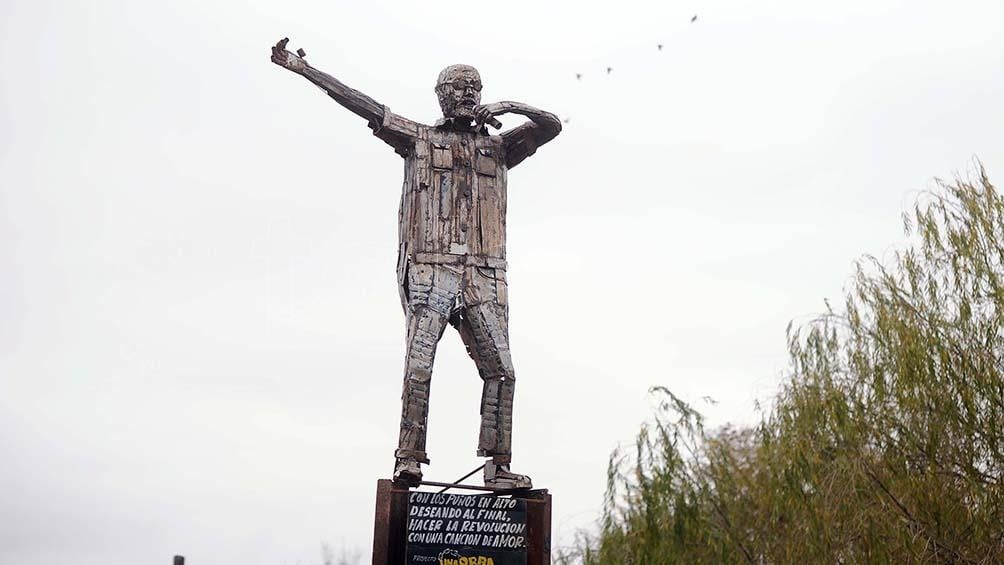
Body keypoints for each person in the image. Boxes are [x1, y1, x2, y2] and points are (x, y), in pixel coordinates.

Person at [270, 38, 561, 488]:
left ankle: (497, 466)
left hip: (485, 273)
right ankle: (409, 458)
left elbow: (551, 125)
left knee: (502, 371)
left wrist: (509, 104)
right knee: (420, 364)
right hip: (430, 267)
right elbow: (363, 105)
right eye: (458, 88)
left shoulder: (500, 150)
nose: (468, 94)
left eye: (475, 88)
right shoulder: (419, 139)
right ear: (441, 96)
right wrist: (305, 70)